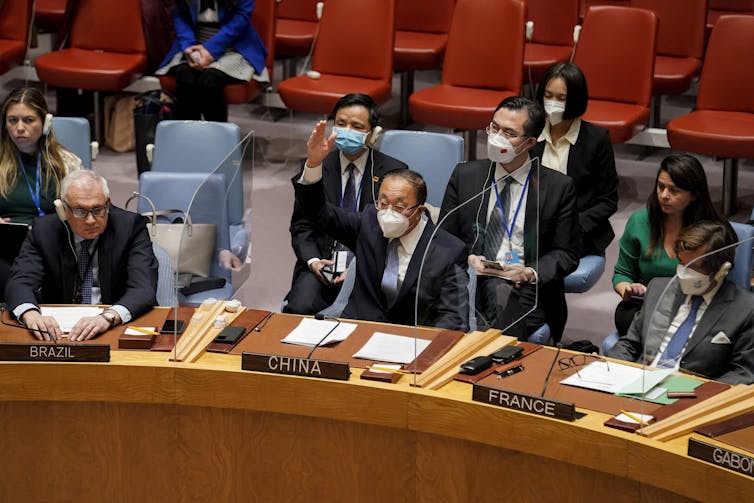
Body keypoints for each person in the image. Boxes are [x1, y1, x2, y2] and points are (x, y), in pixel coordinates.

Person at [440, 96, 578, 341]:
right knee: (446, 328)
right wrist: (467, 257)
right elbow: (444, 237)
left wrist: (529, 272)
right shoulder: (466, 176)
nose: (497, 137)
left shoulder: (558, 187)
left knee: (491, 342)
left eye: (509, 133)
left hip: (522, 285)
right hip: (471, 275)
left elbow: (566, 254)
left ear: (530, 142)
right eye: (494, 128)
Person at [295, 159, 469, 331]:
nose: (389, 213)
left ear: (420, 211)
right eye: (383, 203)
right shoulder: (370, 222)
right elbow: (319, 213)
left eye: (400, 207)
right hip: (358, 330)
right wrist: (313, 165)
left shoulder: (449, 250)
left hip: (410, 340)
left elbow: (453, 318)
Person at [283, 93, 407, 315]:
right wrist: (313, 261)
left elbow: (395, 233)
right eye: (341, 124)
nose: (347, 130)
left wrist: (358, 265)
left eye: (356, 126)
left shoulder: (392, 172)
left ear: (373, 134)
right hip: (322, 266)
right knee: (297, 309)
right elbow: (301, 226)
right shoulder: (316, 165)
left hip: (368, 267)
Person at [5, 171, 158, 342]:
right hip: (58, 333)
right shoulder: (44, 230)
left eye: (97, 209)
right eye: (79, 210)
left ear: (107, 203)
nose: (91, 220)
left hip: (114, 325)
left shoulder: (130, 227)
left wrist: (108, 317)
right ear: (63, 210)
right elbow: (20, 281)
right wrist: (31, 314)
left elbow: (143, 288)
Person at [608, 221, 754, 385]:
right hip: (639, 383)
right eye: (682, 263)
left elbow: (744, 373)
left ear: (721, 269)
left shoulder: (746, 309)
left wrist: (699, 395)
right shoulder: (658, 289)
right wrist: (608, 371)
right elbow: (630, 344)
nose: (684, 273)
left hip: (692, 395)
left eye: (694, 267)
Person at [612, 154, 723, 336]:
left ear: (694, 195)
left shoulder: (712, 231)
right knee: (626, 317)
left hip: (694, 305)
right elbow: (622, 273)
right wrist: (628, 289)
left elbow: (720, 284)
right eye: (660, 187)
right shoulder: (639, 222)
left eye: (674, 190)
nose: (664, 195)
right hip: (647, 306)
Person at [0, 87, 83, 293]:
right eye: (12, 120)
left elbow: (83, 209)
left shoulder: (67, 163)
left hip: (51, 243)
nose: (20, 128)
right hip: (5, 246)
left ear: (45, 123)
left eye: (28, 120)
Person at [533, 62, 618, 258]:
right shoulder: (530, 132)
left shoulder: (596, 140)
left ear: (575, 100)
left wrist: (570, 226)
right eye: (548, 96)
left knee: (543, 262)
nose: (552, 103)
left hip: (577, 231)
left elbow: (607, 200)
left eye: (561, 98)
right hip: (531, 227)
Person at [157, 0, 268, 122]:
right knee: (185, 74)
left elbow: (240, 20)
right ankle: (189, 135)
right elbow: (180, 15)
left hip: (232, 45)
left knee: (210, 78)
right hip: (195, 42)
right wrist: (188, 46)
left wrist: (210, 50)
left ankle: (218, 137)